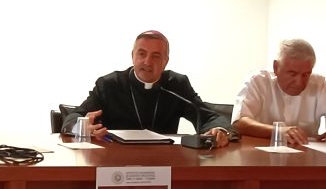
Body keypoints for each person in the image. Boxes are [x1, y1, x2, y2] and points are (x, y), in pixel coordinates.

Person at [62, 30, 230, 147]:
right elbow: (73, 117)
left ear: (165, 61)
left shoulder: (176, 84)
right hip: (114, 159)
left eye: (156, 56)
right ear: (133, 56)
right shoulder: (109, 84)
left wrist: (218, 130)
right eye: (142, 54)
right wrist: (82, 127)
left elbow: (210, 117)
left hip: (165, 161)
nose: (147, 62)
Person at [232, 39, 326, 144]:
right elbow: (240, 123)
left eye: (306, 74)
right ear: (276, 67)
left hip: (305, 157)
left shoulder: (319, 84)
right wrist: (278, 131)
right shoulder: (258, 81)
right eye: (292, 74)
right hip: (261, 155)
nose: (299, 82)